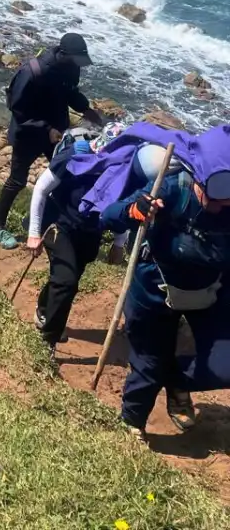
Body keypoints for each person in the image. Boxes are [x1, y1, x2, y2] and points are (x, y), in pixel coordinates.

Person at [100, 124, 230, 440]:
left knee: (223, 364)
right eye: (217, 190)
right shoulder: (171, 188)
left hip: (211, 292)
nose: (222, 203)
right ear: (199, 177)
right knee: (148, 364)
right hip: (155, 290)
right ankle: (131, 425)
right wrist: (136, 209)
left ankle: (177, 380)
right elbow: (109, 215)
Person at [0, 32, 103, 249]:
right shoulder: (33, 72)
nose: (77, 65)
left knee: (65, 174)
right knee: (17, 181)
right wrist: (45, 128)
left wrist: (85, 108)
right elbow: (17, 109)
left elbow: (71, 92)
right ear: (62, 54)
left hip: (57, 134)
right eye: (75, 61)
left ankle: (47, 220)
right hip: (29, 134)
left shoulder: (71, 67)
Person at [27, 135, 127, 353]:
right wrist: (34, 233)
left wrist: (119, 243)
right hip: (58, 226)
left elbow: (124, 207)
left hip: (90, 233)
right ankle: (48, 340)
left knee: (65, 278)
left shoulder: (124, 169)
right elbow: (41, 189)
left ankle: (44, 309)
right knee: (66, 281)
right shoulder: (73, 157)